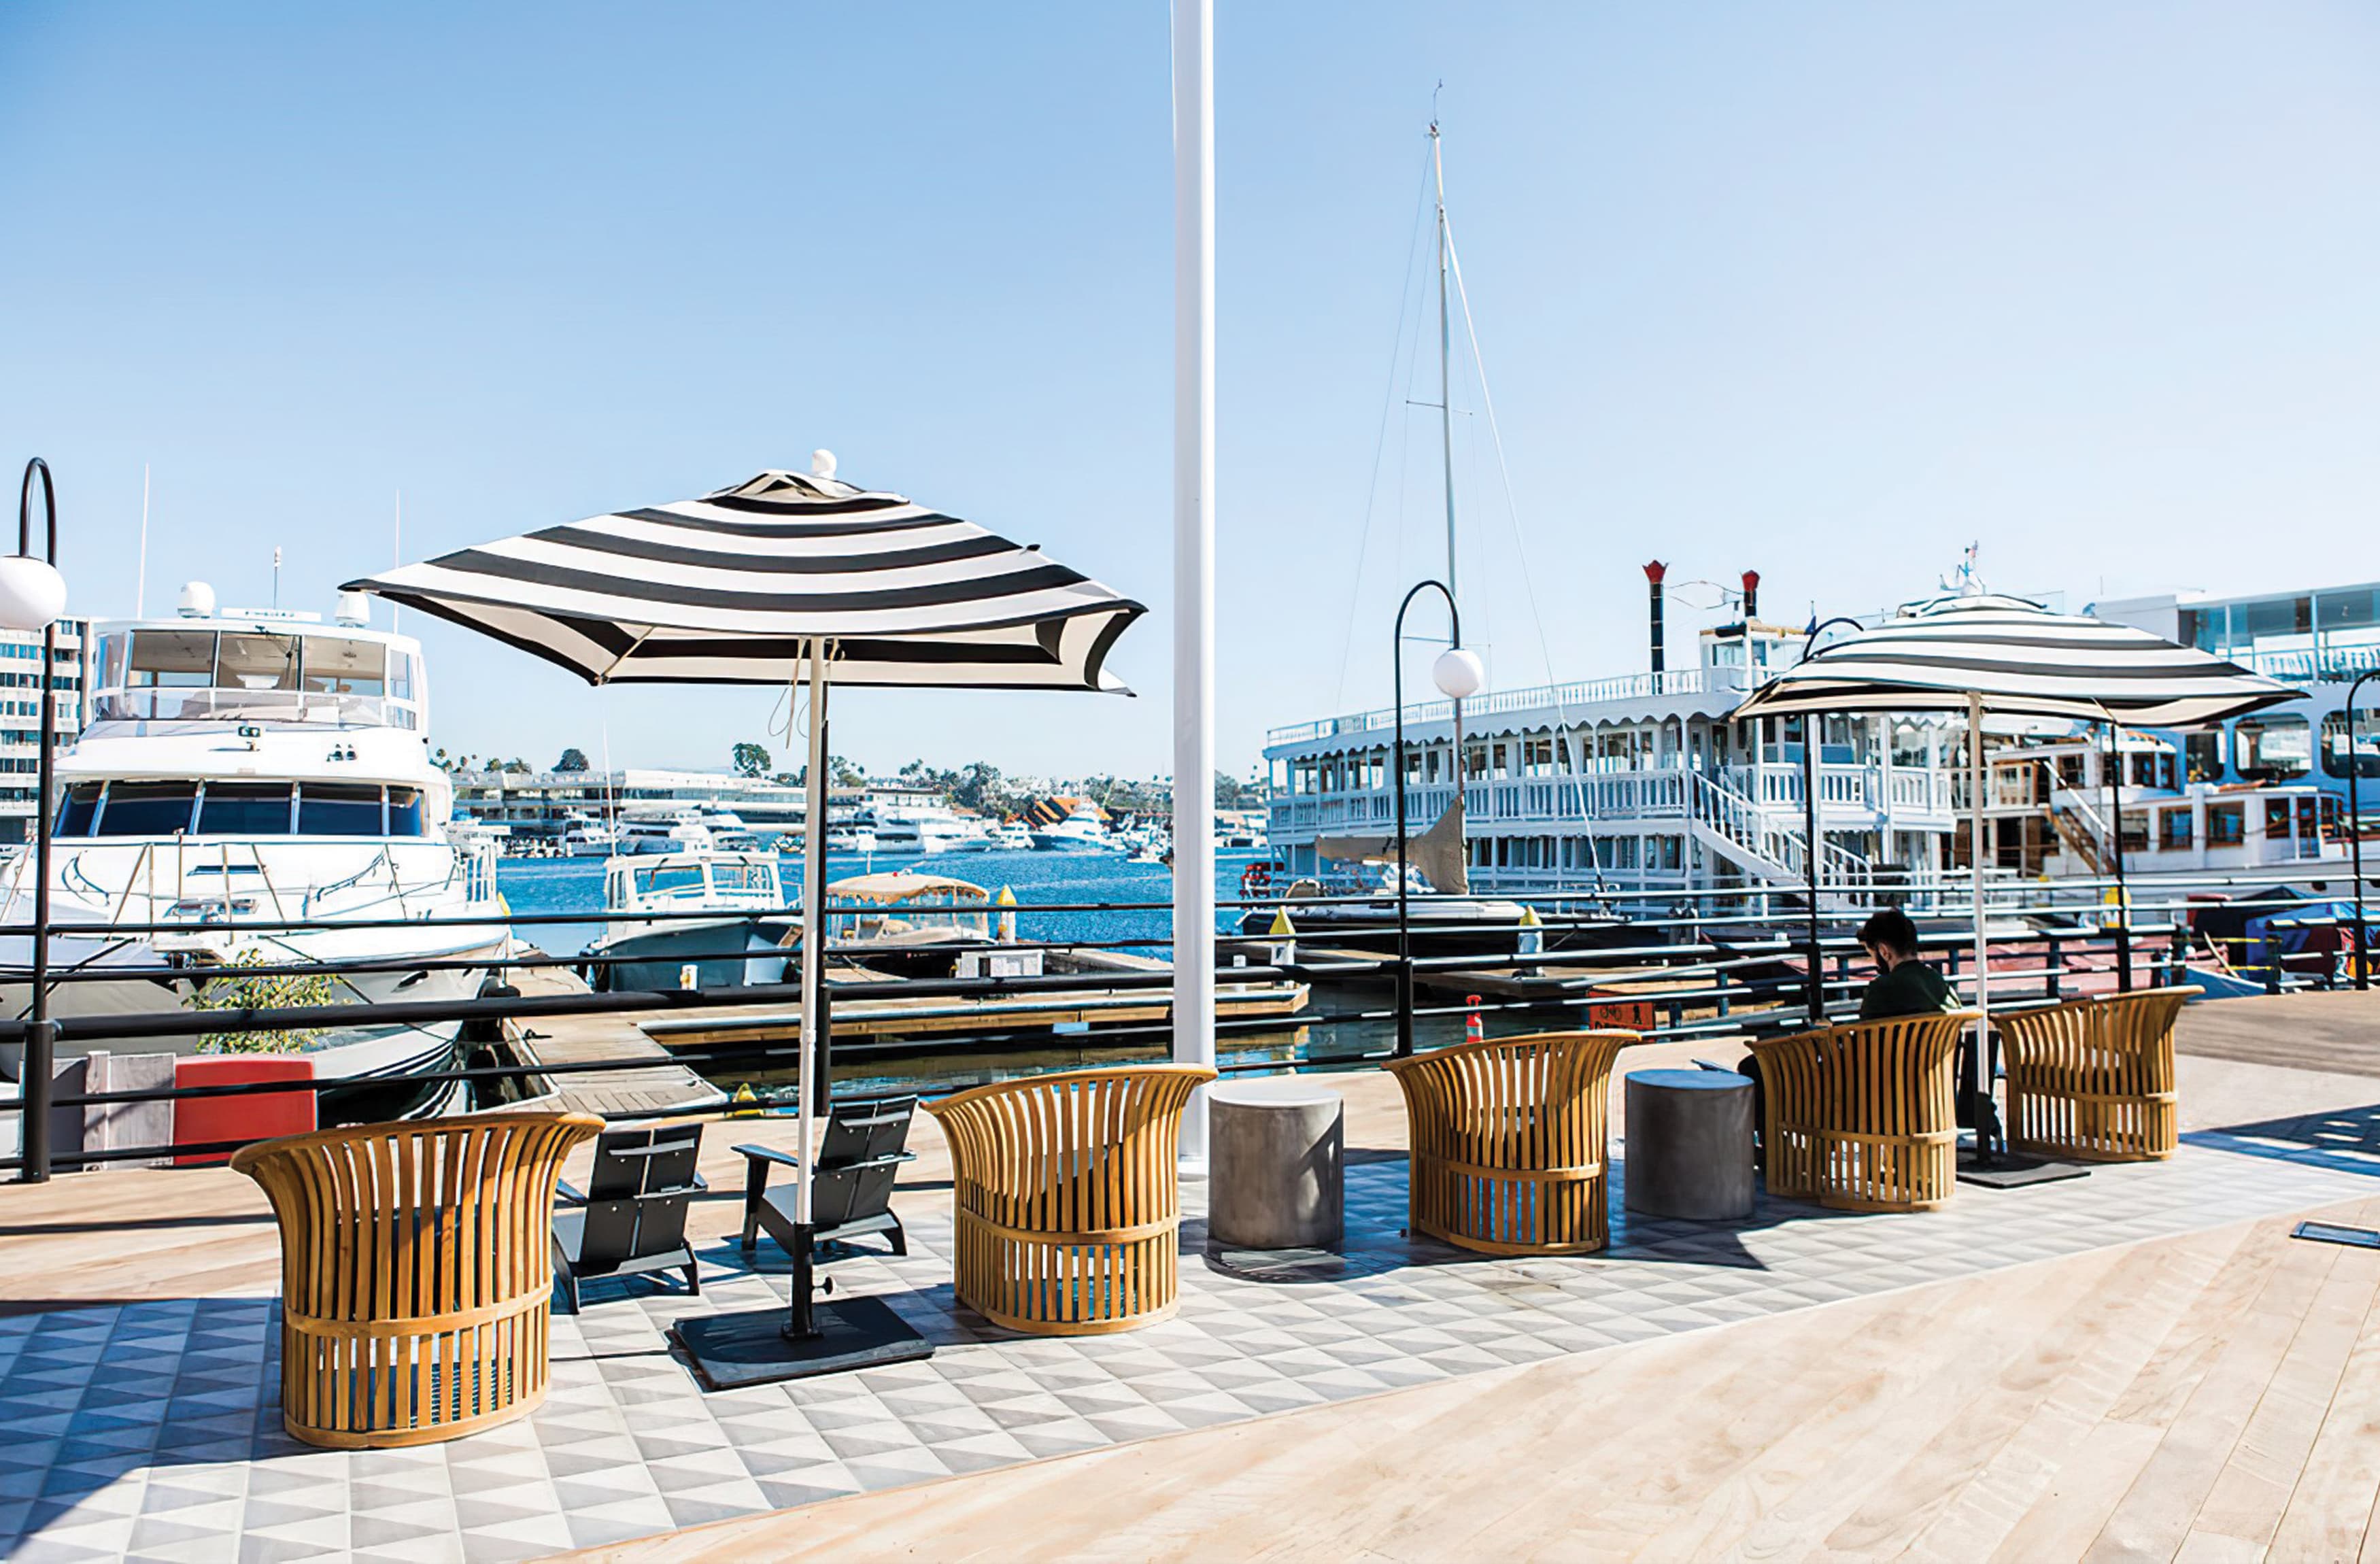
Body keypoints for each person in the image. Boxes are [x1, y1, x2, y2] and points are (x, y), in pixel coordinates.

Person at [1855, 907, 1953, 1021]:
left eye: (1872, 954)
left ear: (1884, 952)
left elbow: (1866, 1034)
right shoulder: (1938, 982)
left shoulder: (1879, 989)